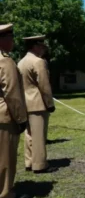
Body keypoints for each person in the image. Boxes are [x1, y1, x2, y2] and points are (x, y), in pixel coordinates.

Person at [18, 35, 57, 174]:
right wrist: (49, 103)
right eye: (41, 46)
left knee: (29, 134)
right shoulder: (39, 62)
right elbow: (44, 85)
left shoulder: (21, 61)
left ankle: (29, 161)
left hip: (25, 102)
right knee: (39, 135)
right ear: (35, 46)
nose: (43, 49)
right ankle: (40, 164)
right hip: (38, 102)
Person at [0, 23, 29, 198]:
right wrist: (21, 119)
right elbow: (12, 93)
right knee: (6, 158)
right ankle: (5, 193)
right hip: (4, 116)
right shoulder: (5, 61)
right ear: (2, 40)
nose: (13, 42)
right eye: (10, 38)